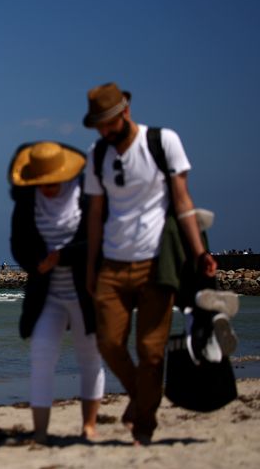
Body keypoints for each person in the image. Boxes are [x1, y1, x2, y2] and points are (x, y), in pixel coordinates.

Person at [82, 82, 218, 445]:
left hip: (158, 263)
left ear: (125, 112)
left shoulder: (163, 142)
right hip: (112, 262)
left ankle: (144, 425)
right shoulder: (97, 155)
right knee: (109, 343)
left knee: (151, 352)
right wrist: (91, 265)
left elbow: (183, 200)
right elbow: (94, 215)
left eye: (109, 123)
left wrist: (198, 253)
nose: (105, 131)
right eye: (99, 125)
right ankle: (142, 397)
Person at [9, 141, 105, 444]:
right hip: (46, 292)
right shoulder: (27, 202)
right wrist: (34, 263)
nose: (47, 189)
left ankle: (89, 424)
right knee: (41, 355)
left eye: (51, 183)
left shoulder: (86, 198)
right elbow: (18, 243)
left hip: (83, 291)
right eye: (41, 183)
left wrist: (61, 257)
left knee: (89, 356)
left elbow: (100, 241)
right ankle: (40, 431)